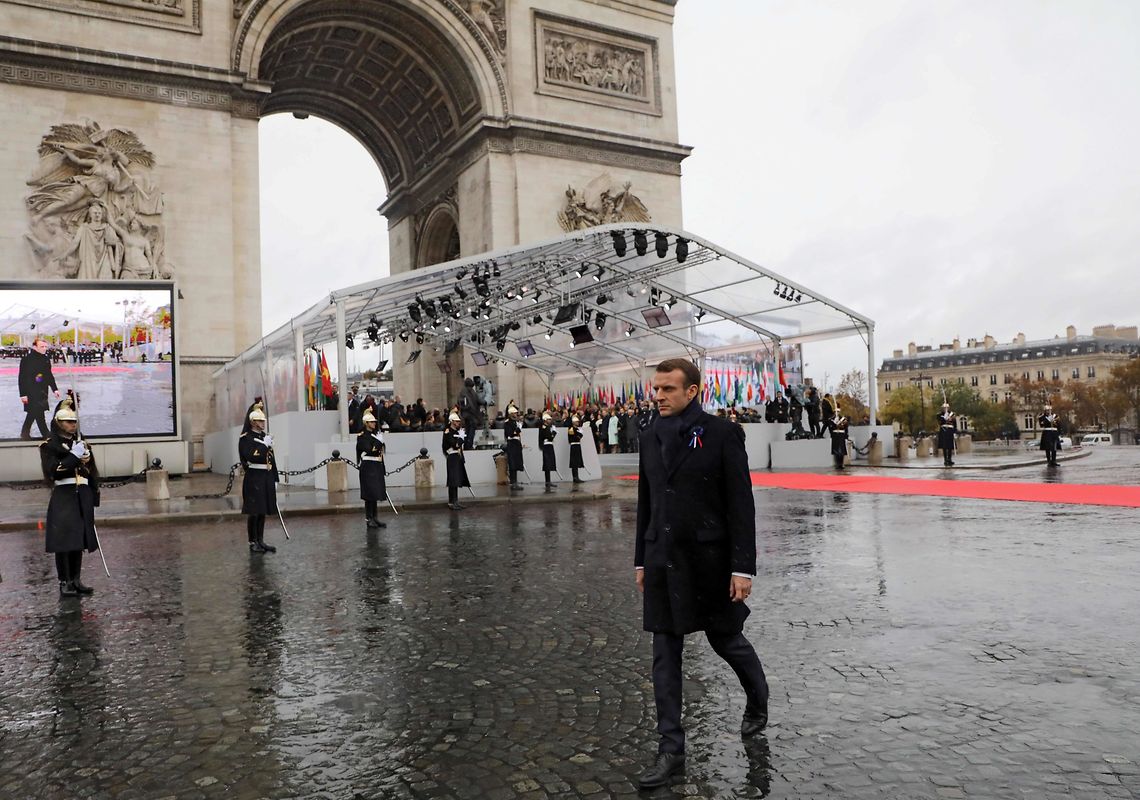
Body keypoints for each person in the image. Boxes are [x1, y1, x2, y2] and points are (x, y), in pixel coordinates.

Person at [633, 358, 768, 790]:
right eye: (656, 389)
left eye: (668, 389)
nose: (659, 396)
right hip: (663, 559)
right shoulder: (649, 434)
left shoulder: (723, 433)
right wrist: (641, 558)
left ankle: (757, 698)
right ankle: (670, 750)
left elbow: (740, 504)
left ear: (692, 391)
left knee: (726, 640)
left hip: (709, 562)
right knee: (664, 655)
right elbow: (647, 502)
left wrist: (742, 567)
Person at [41, 397, 100, 597]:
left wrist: (93, 493)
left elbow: (92, 472)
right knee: (64, 540)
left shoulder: (82, 443)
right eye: (68, 421)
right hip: (64, 494)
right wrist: (73, 457)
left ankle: (76, 579)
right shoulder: (49, 445)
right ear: (59, 422)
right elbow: (53, 472)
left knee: (79, 539)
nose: (72, 424)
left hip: (81, 493)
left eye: (74, 421)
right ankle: (64, 581)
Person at [239, 401, 279, 554]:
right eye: (259, 421)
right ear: (252, 422)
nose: (262, 423)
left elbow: (271, 459)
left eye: (263, 421)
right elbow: (251, 456)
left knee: (262, 510)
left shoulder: (265, 437)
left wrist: (275, 478)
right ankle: (252, 541)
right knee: (254, 511)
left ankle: (260, 540)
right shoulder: (246, 438)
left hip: (266, 476)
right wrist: (264, 446)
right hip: (254, 476)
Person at [19, 336, 61, 440]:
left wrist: (54, 389)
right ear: (35, 347)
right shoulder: (26, 360)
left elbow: (49, 375)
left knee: (34, 412)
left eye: (46, 346)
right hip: (30, 391)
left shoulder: (46, 359)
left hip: (42, 391)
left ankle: (25, 433)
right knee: (38, 412)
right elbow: (22, 378)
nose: (44, 348)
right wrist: (23, 394)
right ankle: (46, 434)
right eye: (42, 346)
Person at [356, 408, 388, 528]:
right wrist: (379, 442)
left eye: (375, 422)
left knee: (375, 494)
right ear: (366, 423)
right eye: (372, 422)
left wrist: (382, 468)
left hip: (376, 466)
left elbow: (380, 454)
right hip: (368, 466)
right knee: (369, 494)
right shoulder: (362, 436)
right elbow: (370, 450)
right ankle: (369, 518)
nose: (374, 423)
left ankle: (375, 517)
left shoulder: (376, 435)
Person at [443, 411, 470, 510]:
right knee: (452, 480)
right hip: (452, 456)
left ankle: (456, 501)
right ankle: (451, 502)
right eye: (456, 421)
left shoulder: (456, 432)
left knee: (457, 479)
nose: (458, 423)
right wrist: (461, 439)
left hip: (457, 457)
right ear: (451, 421)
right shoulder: (448, 431)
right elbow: (454, 444)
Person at [503, 404, 525, 490]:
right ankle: (513, 483)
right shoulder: (507, 423)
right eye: (515, 413)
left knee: (516, 463)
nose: (516, 415)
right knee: (512, 464)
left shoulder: (516, 422)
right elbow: (509, 434)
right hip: (511, 444)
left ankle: (515, 482)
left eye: (516, 413)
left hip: (516, 443)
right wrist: (517, 430)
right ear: (511, 414)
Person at [539, 411, 558, 489]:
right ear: (545, 420)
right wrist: (553, 433)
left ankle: (549, 481)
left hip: (550, 445)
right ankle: (547, 482)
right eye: (549, 420)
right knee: (547, 464)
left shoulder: (547, 427)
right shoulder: (544, 427)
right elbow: (549, 437)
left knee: (549, 463)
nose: (550, 421)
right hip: (546, 446)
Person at [567, 414, 586, 483]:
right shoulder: (571, 429)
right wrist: (580, 434)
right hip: (574, 446)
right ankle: (575, 477)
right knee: (574, 462)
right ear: (574, 422)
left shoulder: (577, 429)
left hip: (577, 445)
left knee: (577, 462)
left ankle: (576, 477)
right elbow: (573, 438)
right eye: (577, 422)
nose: (578, 423)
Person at [937, 402, 956, 467]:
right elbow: (940, 422)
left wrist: (954, 431)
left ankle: (950, 459)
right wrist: (945, 417)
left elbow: (954, 423)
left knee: (950, 446)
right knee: (944, 446)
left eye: (947, 407)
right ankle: (945, 459)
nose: (946, 409)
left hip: (950, 431)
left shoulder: (952, 414)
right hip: (944, 431)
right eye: (944, 408)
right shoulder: (940, 414)